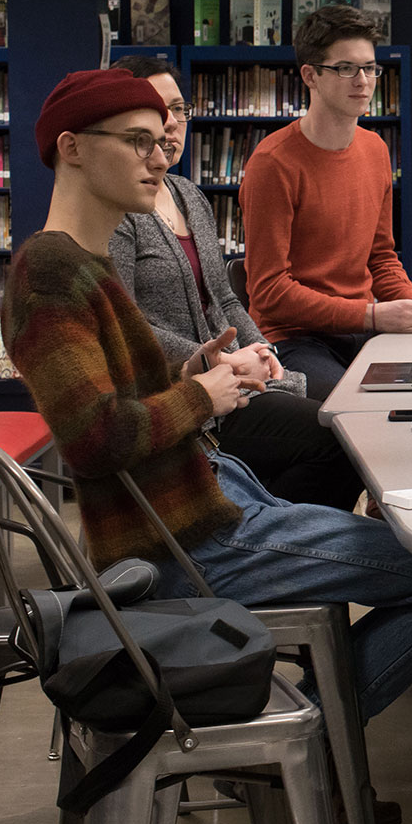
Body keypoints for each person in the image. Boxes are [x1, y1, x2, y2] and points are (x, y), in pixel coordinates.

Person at [1, 69, 412, 824]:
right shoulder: (52, 273)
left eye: (162, 141)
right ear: (73, 149)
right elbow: (93, 440)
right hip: (185, 538)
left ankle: (299, 742)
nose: (160, 159)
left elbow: (116, 402)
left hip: (209, 500)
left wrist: (193, 370)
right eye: (138, 143)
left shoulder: (80, 264)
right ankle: (296, 747)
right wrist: (207, 395)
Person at [105, 57, 365, 512]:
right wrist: (218, 358)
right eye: (154, 111)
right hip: (184, 396)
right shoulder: (120, 209)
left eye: (179, 109)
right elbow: (127, 323)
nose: (170, 125)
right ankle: (268, 539)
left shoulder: (189, 195)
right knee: (339, 439)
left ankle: (263, 521)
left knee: (346, 421)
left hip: (234, 376)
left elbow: (225, 296)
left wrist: (264, 351)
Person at [239, 5, 412, 400]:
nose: (363, 81)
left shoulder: (375, 150)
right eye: (345, 68)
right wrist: (371, 315)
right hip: (294, 339)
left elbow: (381, 260)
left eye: (370, 68)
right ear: (310, 76)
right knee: (357, 411)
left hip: (360, 330)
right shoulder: (273, 164)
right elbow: (269, 291)